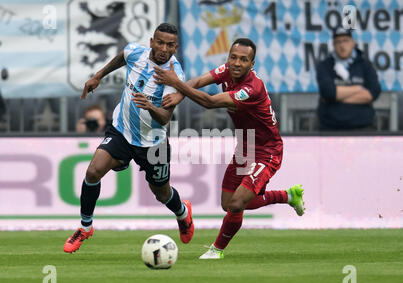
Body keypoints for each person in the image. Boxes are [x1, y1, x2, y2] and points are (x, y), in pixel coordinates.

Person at [154, 38, 305, 259]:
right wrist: (180, 94)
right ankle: (287, 195)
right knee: (228, 203)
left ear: (252, 64)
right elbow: (198, 81)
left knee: (236, 203)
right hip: (246, 143)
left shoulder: (251, 89)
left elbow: (210, 102)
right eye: (233, 57)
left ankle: (217, 250)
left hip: (267, 150)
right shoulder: (227, 70)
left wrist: (176, 84)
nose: (236, 63)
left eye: (243, 60)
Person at [64, 23, 194, 253]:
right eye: (160, 42)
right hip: (122, 132)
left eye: (170, 45)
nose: (164, 48)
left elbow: (164, 118)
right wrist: (98, 75)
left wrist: (149, 106)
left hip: (154, 143)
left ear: (176, 47)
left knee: (162, 193)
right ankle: (85, 227)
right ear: (152, 41)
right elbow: (122, 57)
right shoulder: (136, 52)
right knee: (93, 171)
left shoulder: (174, 77)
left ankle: (183, 213)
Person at [316, 27, 381, 131]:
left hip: (363, 128)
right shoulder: (324, 66)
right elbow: (328, 92)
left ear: (352, 43)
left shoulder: (365, 65)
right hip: (330, 129)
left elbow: (374, 93)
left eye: (345, 41)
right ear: (333, 45)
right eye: (338, 42)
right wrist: (359, 89)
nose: (342, 46)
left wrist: (335, 99)